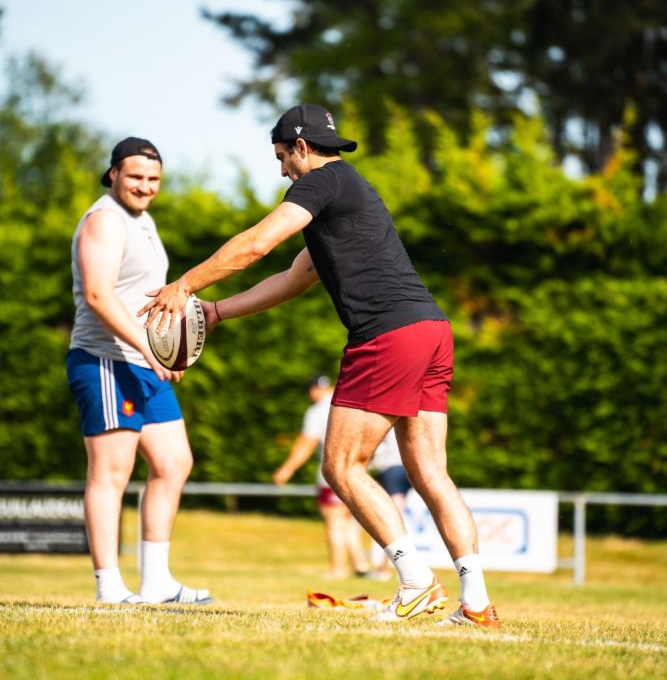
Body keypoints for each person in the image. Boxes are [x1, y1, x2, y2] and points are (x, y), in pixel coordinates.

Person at [139, 104, 499, 628]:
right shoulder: (349, 193)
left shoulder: (321, 182)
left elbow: (257, 244)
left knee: (341, 466)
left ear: (302, 148)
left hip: (387, 336)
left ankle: (416, 582)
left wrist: (184, 285)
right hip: (430, 330)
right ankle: (477, 603)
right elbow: (294, 278)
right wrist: (216, 311)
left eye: (282, 157)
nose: (282, 170)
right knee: (430, 473)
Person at [66, 136, 214, 605]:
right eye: (135, 176)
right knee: (111, 473)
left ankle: (157, 583)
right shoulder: (105, 220)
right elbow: (98, 295)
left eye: (153, 179)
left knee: (174, 463)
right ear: (113, 174)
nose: (145, 186)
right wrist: (148, 349)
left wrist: (168, 348)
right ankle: (110, 587)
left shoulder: (142, 220)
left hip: (143, 361)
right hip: (105, 360)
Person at [273, 375, 370, 579]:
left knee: (334, 520)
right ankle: (359, 562)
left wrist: (287, 469)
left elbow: (307, 443)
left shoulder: (317, 411)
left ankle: (338, 569)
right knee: (350, 518)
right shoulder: (352, 405)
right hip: (358, 470)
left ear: (313, 390)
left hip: (333, 471)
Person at [368, 428, 411, 580]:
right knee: (398, 514)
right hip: (410, 465)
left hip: (391, 467)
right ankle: (391, 567)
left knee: (393, 517)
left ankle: (386, 568)